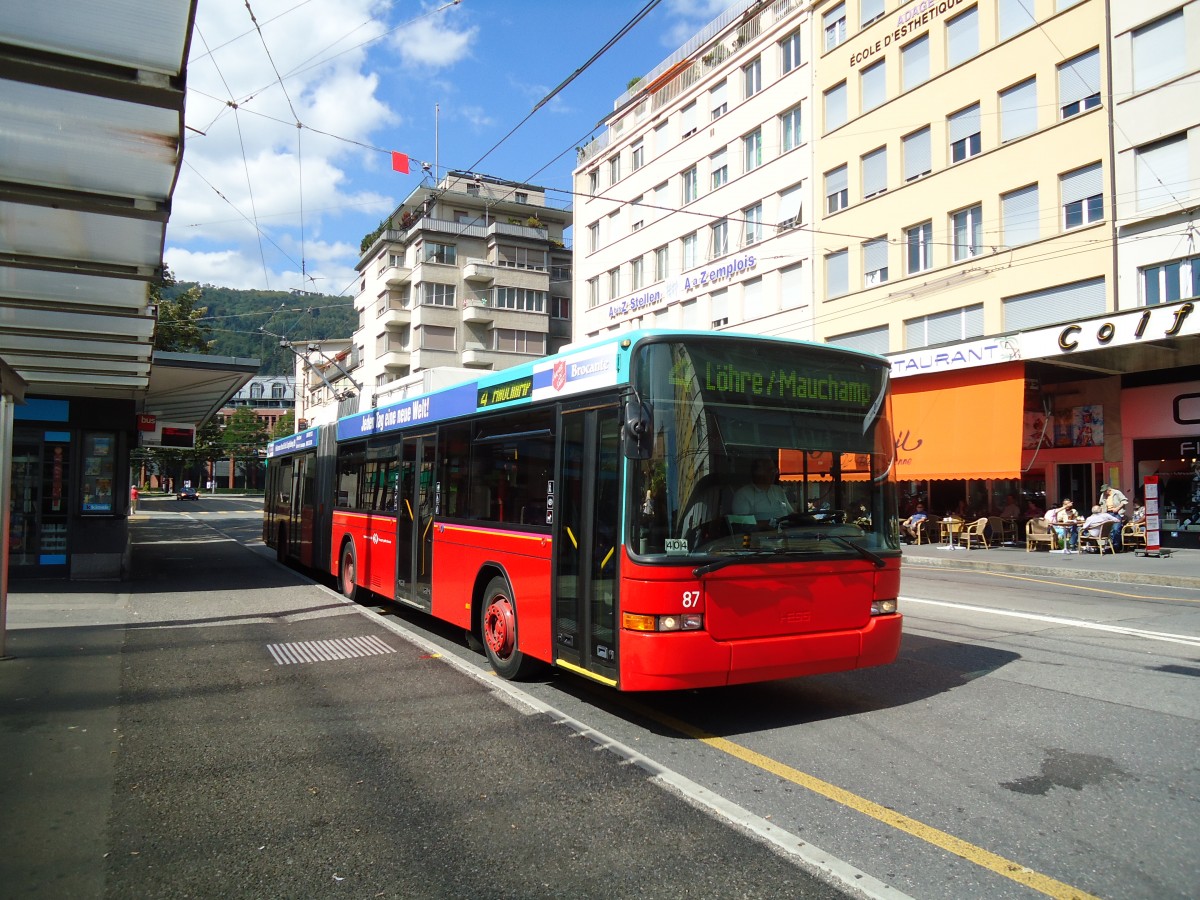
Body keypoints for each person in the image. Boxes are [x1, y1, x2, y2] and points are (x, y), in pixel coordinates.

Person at [732, 458, 793, 525]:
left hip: (786, 533)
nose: (773, 473)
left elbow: (790, 514)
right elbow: (741, 524)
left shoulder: (778, 490)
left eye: (774, 470)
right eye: (769, 470)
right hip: (761, 535)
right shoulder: (743, 494)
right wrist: (767, 525)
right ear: (757, 472)